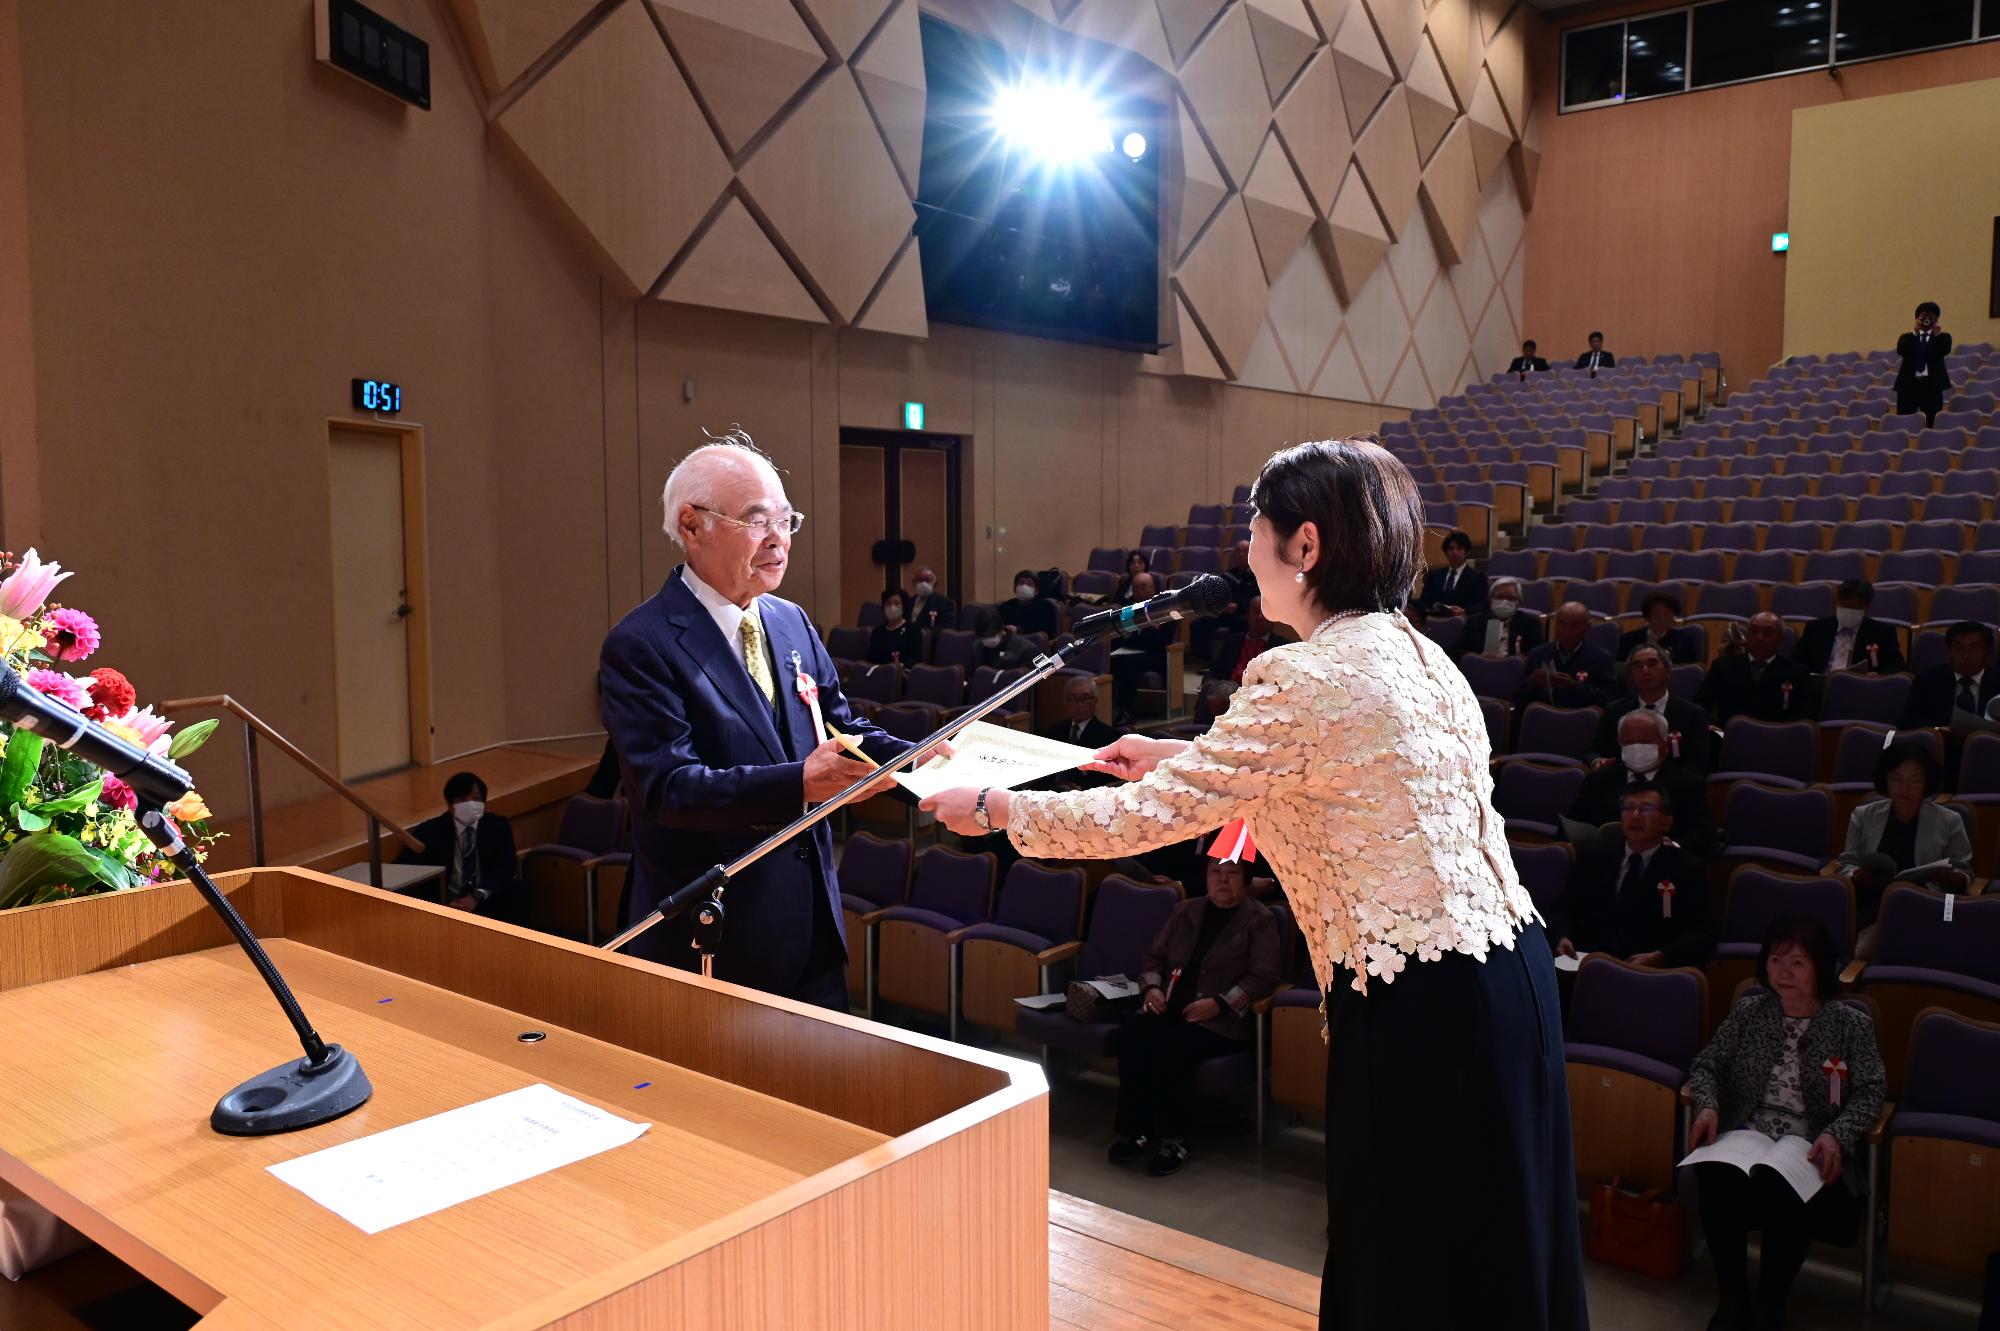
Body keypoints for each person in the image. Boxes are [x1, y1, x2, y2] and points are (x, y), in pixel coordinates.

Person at [921, 436, 1588, 1330]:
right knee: (1497, 1251)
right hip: (1509, 978)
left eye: (1254, 528)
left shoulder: (1302, 674)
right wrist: (1178, 755)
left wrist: (999, 808)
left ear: (1305, 545)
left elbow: (1144, 822)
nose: (1244, 550)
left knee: (1408, 1252)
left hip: (1422, 1002)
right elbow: (1319, 774)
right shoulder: (1419, 653)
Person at [599, 433, 914, 1008]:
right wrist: (798, 784)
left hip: (811, 929)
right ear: (692, 526)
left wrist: (929, 757)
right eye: (756, 520)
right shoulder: (641, 643)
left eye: (786, 520)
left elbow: (840, 729)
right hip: (715, 938)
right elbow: (668, 788)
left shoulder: (790, 620)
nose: (778, 539)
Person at [1686, 916, 1885, 1331]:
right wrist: (1707, 1107)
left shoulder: (1851, 1024)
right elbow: (1707, 1065)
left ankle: (1770, 1306)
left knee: (1783, 1188)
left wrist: (1837, 1135)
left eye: (1797, 962)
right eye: (1776, 960)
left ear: (1821, 967)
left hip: (1812, 1144)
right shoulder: (1751, 1011)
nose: (1784, 972)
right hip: (1747, 1135)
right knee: (1716, 1175)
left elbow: (1871, 1092)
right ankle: (1733, 1299)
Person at [1109, 854, 1282, 1176]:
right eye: (1215, 872)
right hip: (1169, 1006)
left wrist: (1220, 1003)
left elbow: (1264, 977)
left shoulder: (1260, 920)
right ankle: (1136, 1130)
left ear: (1246, 880)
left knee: (1173, 1047)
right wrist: (1152, 989)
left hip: (1220, 1019)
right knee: (1131, 1034)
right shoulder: (1185, 910)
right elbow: (1153, 957)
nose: (1222, 880)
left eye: (1232, 873)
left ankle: (1175, 1139)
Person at [1548, 786, 1712, 970]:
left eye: (1646, 809)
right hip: (1588, 960)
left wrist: (1661, 956)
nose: (1635, 816)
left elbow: (1702, 933)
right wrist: (1563, 937)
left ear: (1666, 822)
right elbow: (1562, 909)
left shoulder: (1687, 868)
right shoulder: (1595, 858)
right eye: (1628, 808)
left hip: (1651, 969)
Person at [1834, 740, 1973, 930]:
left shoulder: (1949, 820)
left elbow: (1965, 873)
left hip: (1926, 905)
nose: (1904, 788)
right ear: (1885, 780)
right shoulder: (1863, 816)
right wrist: (1856, 875)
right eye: (1896, 779)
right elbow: (1846, 864)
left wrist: (1949, 877)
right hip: (1872, 904)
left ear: (1927, 783)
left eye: (1915, 781)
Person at [1569, 710, 1716, 856]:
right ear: (1619, 744)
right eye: (1629, 742)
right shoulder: (1598, 781)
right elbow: (1572, 824)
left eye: (1645, 742)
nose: (1637, 749)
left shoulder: (1689, 785)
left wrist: (1673, 847)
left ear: (1665, 745)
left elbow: (1703, 835)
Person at [399, 771, 521, 918]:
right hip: (443, 905)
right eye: (463, 799)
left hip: (485, 901)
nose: (470, 804)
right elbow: (405, 868)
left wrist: (475, 897)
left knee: (517, 890)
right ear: (450, 805)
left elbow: (506, 867)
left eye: (476, 799)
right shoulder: (430, 831)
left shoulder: (498, 826)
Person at [1590, 645, 1710, 773]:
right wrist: (1597, 761)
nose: (1645, 670)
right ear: (1631, 675)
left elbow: (1699, 764)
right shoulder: (1615, 710)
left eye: (1652, 664)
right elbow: (1593, 752)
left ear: (1667, 671)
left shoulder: (1692, 714)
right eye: (1638, 666)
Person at [1697, 612, 1814, 724]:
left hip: (1777, 735)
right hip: (1728, 734)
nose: (1759, 637)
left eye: (1768, 632)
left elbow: (1802, 715)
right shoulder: (1722, 667)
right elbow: (1700, 706)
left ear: (1780, 639)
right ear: (1747, 635)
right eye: (1754, 631)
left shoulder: (1797, 672)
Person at [1793, 580, 1905, 675]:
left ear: (1867, 608)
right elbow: (1797, 663)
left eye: (1853, 608)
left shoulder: (1882, 633)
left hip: (1860, 688)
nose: (1847, 611)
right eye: (1843, 606)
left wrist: (1878, 675)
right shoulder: (1816, 629)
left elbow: (1897, 667)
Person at [1516, 601, 1615, 708]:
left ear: (1587, 627)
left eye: (1575, 625)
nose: (1567, 631)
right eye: (1562, 624)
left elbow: (1608, 699)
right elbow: (1517, 697)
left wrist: (1574, 686)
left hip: (1579, 715)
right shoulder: (1537, 654)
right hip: (1541, 715)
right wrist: (1531, 683)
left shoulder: (1602, 658)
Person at [1899, 621, 1997, 727]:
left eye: (1974, 649)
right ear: (1948, 652)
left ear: (1988, 654)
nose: (1966, 656)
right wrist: (1936, 731)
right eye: (1959, 649)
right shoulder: (1927, 680)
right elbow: (1907, 722)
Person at [1197, 595, 1276, 723]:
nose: (1260, 617)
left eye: (1265, 613)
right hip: (1226, 689)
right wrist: (1208, 681)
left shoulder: (1281, 646)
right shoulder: (1233, 640)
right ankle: (1199, 731)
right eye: (1256, 612)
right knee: (1210, 689)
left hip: (1256, 694)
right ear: (1248, 616)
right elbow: (1216, 669)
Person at [1108, 570, 1171, 724]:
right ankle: (1107, 709)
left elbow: (1158, 640)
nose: (1139, 591)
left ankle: (1126, 711)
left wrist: (1133, 636)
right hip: (1131, 652)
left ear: (1153, 588)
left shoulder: (1163, 608)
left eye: (1143, 587)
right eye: (1135, 588)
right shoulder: (1129, 609)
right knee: (1109, 660)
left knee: (1128, 663)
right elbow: (1120, 637)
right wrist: (1134, 636)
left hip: (1157, 656)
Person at [1453, 577, 1544, 660]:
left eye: (1511, 598)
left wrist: (1514, 659)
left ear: (1519, 603)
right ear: (1490, 599)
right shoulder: (1474, 622)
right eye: (1499, 597)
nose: (1504, 602)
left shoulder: (1530, 623)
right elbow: (1456, 652)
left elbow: (1538, 656)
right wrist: (1478, 657)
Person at [1893, 301, 1952, 426]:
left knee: (1932, 423)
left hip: (1932, 387)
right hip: (1908, 386)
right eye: (1923, 318)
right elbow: (1901, 349)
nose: (1927, 321)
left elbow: (1945, 349)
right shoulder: (1907, 337)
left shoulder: (1943, 337)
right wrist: (1915, 333)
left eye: (1931, 318)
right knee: (1904, 422)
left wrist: (1936, 334)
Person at [1617, 590, 1703, 665]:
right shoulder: (1628, 640)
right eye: (1657, 614)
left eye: (1667, 615)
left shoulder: (1683, 642)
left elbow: (1691, 671)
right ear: (1648, 616)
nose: (1662, 619)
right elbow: (1621, 669)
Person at [1417, 530, 1487, 618]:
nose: (1455, 552)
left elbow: (1482, 604)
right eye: (1451, 548)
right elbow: (1424, 601)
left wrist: (1465, 611)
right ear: (1446, 552)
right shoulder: (1434, 576)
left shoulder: (1477, 577)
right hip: (1434, 619)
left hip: (1464, 620)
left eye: (1459, 548)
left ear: (1467, 552)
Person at [865, 587, 924, 666]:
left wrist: (901, 666)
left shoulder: (913, 630)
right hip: (879, 671)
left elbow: (916, 659)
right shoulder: (877, 632)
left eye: (897, 603)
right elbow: (870, 660)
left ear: (904, 606)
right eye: (888, 603)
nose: (892, 607)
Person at [972, 607, 1037, 670]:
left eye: (991, 635)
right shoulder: (977, 648)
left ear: (1002, 630)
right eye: (984, 637)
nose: (988, 639)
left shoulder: (1027, 649)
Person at [1001, 567, 1058, 637]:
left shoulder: (1045, 606)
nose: (1024, 586)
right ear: (1014, 589)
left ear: (1036, 591)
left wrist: (1018, 629)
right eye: (1021, 583)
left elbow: (1048, 632)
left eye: (1029, 584)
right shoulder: (1006, 606)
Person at [906, 565, 956, 635]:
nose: (923, 584)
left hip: (929, 640)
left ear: (935, 584)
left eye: (927, 580)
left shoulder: (945, 604)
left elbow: (946, 629)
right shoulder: (908, 602)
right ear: (914, 583)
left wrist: (925, 635)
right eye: (920, 580)